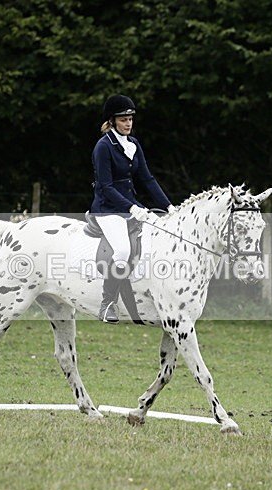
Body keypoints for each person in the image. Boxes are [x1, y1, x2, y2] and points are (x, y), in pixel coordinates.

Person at [90, 94, 174, 323]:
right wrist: (132, 207)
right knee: (123, 251)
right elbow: (106, 187)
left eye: (130, 119)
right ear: (112, 120)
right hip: (107, 209)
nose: (128, 123)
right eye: (123, 119)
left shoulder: (133, 144)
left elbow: (147, 179)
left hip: (131, 207)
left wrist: (168, 206)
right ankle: (107, 304)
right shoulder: (103, 147)